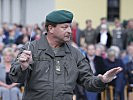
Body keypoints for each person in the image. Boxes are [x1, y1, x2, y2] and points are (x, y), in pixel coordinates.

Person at [9, 10, 122, 100]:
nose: (69, 30)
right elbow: (15, 77)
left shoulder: (75, 54)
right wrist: (22, 67)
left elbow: (88, 81)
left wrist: (102, 80)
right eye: (64, 27)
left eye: (69, 26)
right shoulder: (31, 48)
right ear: (51, 28)